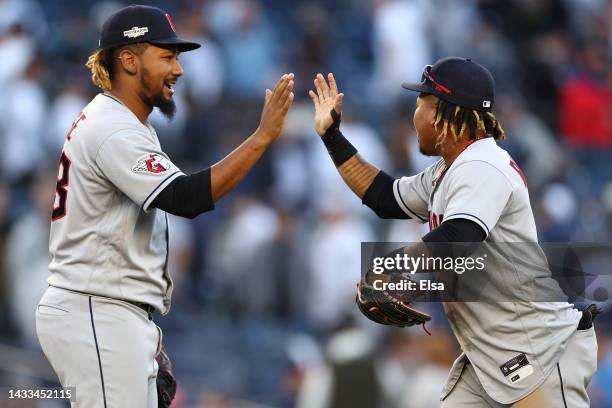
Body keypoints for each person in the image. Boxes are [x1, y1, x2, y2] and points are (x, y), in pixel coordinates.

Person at [35, 5, 294, 408]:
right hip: (96, 308)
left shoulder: (127, 125)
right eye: (167, 56)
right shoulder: (112, 127)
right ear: (129, 59)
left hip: (107, 308)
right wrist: (260, 138)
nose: (179, 69)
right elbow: (186, 198)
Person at [308, 58, 599, 407]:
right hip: (492, 359)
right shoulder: (448, 171)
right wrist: (332, 137)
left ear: (445, 113)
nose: (415, 113)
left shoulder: (482, 165)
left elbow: (458, 237)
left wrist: (393, 268)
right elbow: (385, 198)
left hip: (541, 353)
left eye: (422, 103)